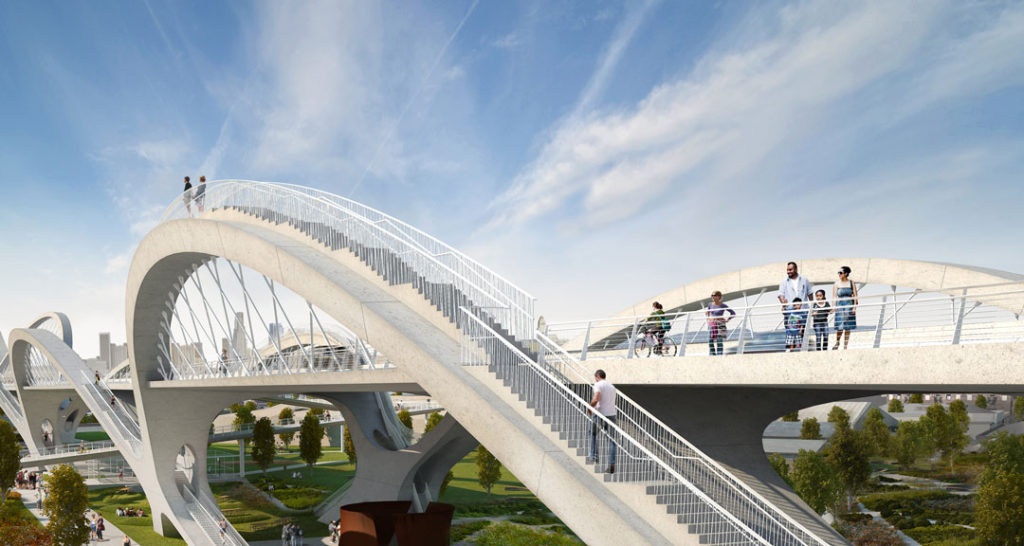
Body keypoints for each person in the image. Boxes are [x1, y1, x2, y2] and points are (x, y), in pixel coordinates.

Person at [587, 369, 617, 474]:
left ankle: (593, 456)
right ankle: (612, 464)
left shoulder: (598, 385)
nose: (595, 379)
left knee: (593, 434)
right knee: (611, 440)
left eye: (595, 377)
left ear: (597, 376)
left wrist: (589, 407)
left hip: (600, 414)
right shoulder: (611, 387)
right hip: (612, 414)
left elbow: (596, 398)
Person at [833, 266, 859, 350]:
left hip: (849, 305)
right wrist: (833, 307)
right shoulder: (836, 283)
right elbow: (834, 297)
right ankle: (837, 342)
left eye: (841, 273)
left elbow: (855, 296)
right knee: (840, 326)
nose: (839, 274)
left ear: (846, 273)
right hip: (840, 305)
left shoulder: (852, 283)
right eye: (838, 273)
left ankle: (845, 346)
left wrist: (854, 307)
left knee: (848, 326)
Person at [706, 291, 736, 356]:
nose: (712, 297)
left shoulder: (723, 305)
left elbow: (733, 313)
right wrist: (708, 318)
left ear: (719, 297)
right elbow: (707, 312)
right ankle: (712, 355)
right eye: (712, 295)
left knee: (719, 341)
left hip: (720, 324)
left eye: (714, 295)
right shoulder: (710, 304)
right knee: (710, 340)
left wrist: (728, 320)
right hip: (712, 324)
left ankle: (719, 355)